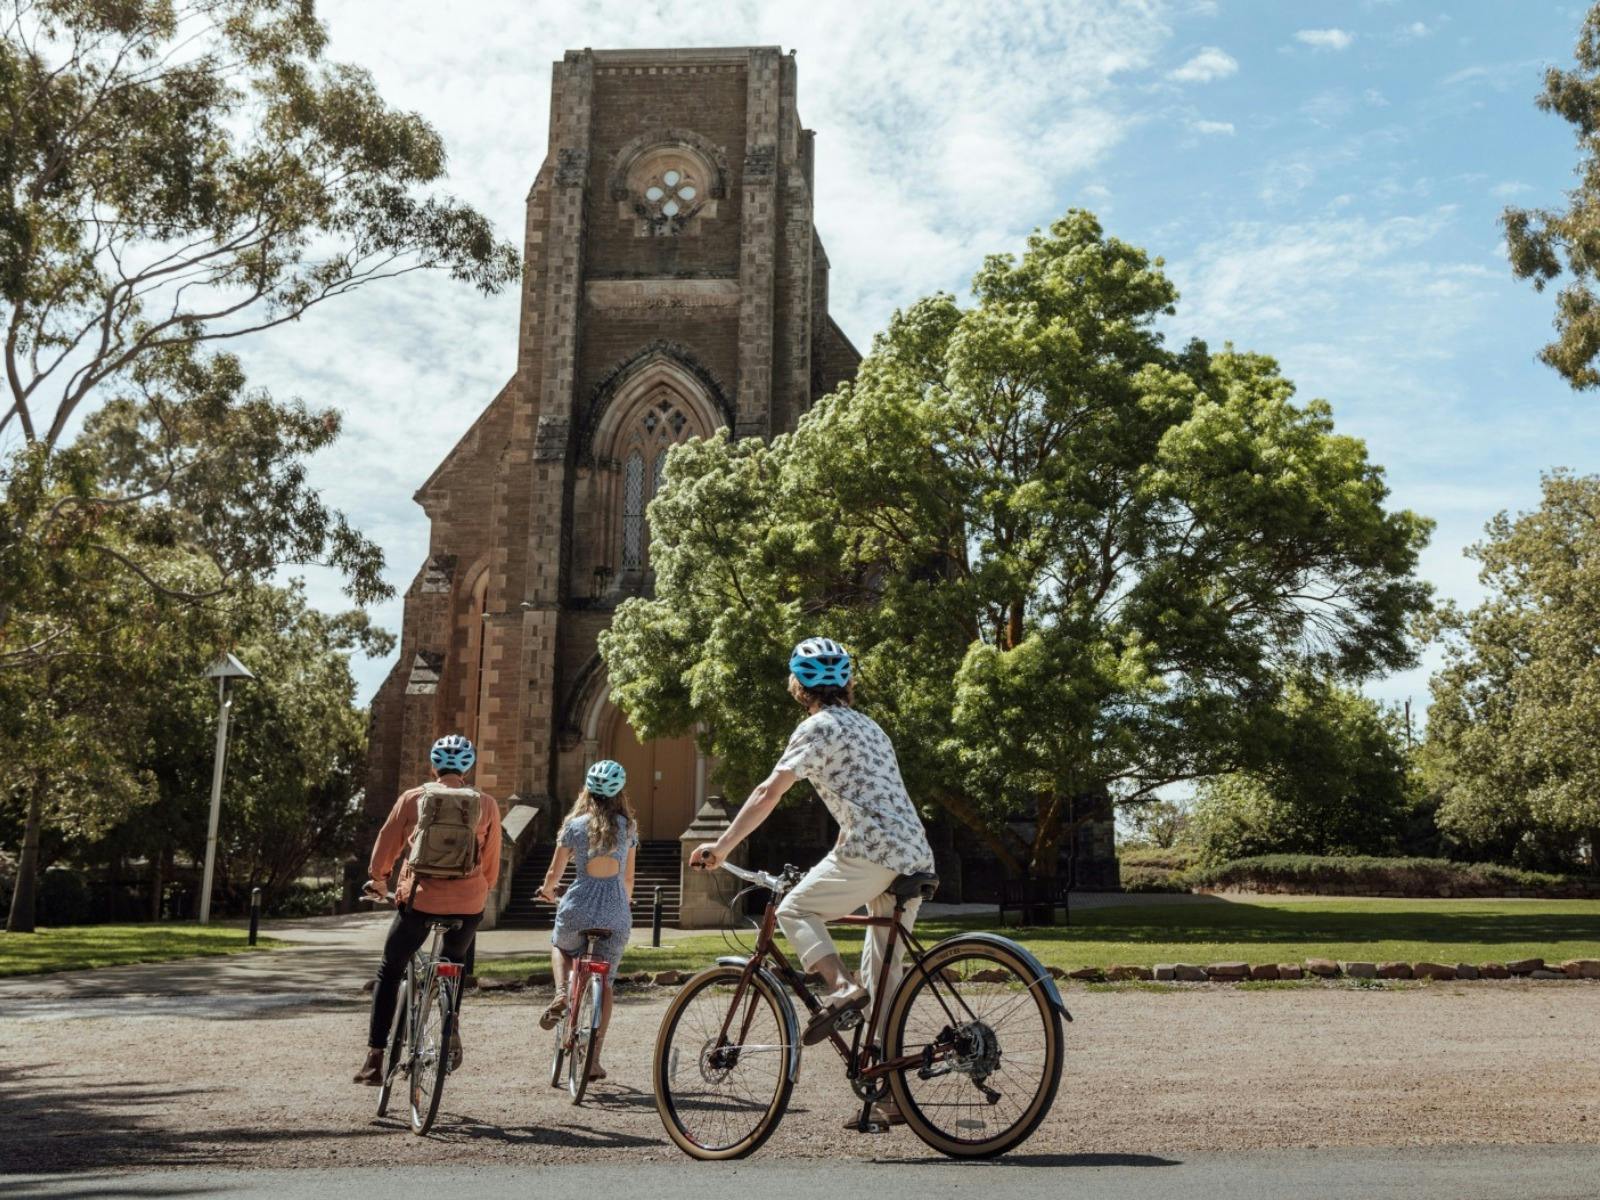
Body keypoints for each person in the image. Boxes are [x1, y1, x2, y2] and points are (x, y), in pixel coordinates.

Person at [690, 636, 935, 1130]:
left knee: (793, 910)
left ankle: (840, 988)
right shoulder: (870, 727)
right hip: (913, 853)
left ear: (797, 685)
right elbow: (867, 800)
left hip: (872, 852)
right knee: (883, 977)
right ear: (848, 683)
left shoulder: (816, 727)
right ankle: (890, 1094)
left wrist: (722, 846)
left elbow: (768, 792)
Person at [353, 733, 502, 1086]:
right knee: (454, 963)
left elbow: (386, 846)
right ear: (468, 769)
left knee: (390, 968)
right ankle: (450, 1023)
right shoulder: (486, 804)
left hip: (420, 900)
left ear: (433, 766)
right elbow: (491, 866)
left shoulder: (413, 798)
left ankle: (375, 1057)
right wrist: (478, 889)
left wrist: (379, 880)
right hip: (467, 904)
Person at [536, 758, 637, 1083]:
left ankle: (562, 992)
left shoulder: (574, 827)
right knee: (604, 982)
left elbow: (554, 874)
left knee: (560, 946)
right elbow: (628, 880)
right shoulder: (628, 828)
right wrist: (623, 903)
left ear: (588, 792)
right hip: (615, 912)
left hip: (578, 906)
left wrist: (548, 891)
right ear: (619, 793)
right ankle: (593, 1058)